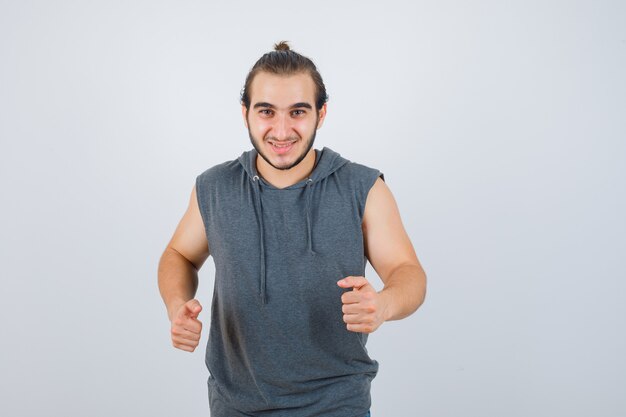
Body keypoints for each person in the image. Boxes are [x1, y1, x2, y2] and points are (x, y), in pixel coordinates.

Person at [157, 41, 427, 417]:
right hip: (235, 406)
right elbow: (179, 255)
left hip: (337, 404)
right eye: (266, 111)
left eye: (297, 112)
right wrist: (176, 305)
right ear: (245, 113)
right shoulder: (214, 187)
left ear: (321, 113)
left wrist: (383, 305)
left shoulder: (363, 187)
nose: (281, 131)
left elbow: (407, 272)